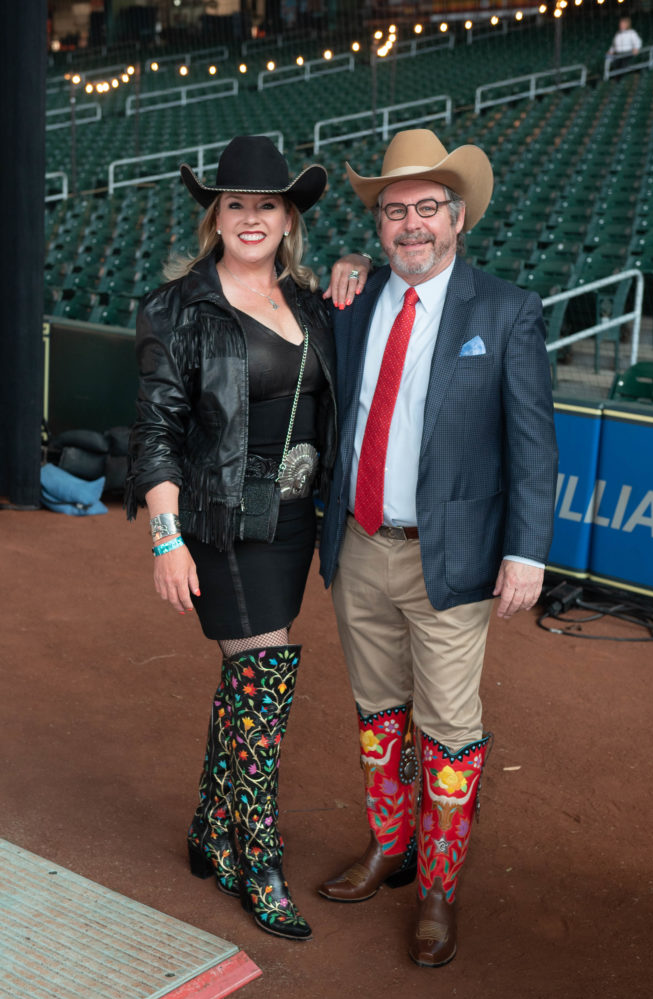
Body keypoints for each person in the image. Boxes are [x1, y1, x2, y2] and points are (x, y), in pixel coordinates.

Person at [317, 129, 558, 967]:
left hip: (450, 560)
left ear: (458, 219)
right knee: (378, 714)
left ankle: (438, 888)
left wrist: (526, 552)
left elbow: (533, 444)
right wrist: (345, 262)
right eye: (393, 212)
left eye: (426, 209)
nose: (410, 225)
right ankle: (392, 847)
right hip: (358, 544)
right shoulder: (351, 302)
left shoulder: (506, 309)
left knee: (449, 730)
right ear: (377, 226)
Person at [125, 135, 368, 941]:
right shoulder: (177, 308)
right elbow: (156, 431)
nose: (253, 217)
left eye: (269, 203)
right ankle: (258, 856)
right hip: (222, 520)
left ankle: (206, 825)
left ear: (290, 217)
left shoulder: (310, 302)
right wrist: (166, 539)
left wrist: (358, 263)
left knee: (247, 678)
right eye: (237, 203)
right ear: (215, 215)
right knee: (264, 676)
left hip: (296, 521)